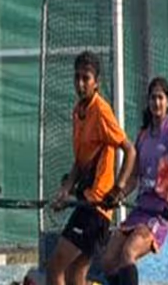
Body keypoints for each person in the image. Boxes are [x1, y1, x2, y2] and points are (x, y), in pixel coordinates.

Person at [46, 51, 137, 285]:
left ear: (96, 82)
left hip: (97, 209)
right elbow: (79, 162)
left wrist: (117, 189)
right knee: (76, 275)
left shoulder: (102, 111)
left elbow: (130, 150)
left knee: (56, 265)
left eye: (86, 78)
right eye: (77, 77)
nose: (80, 83)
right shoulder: (78, 112)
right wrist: (65, 191)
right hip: (86, 202)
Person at [100, 77, 168, 285]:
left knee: (128, 253)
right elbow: (134, 178)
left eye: (160, 98)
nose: (156, 103)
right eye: (153, 98)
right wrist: (118, 194)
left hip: (158, 215)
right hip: (140, 211)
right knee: (107, 261)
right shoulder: (142, 136)